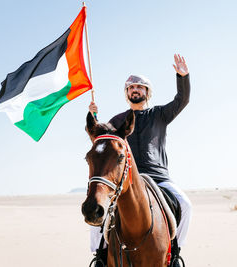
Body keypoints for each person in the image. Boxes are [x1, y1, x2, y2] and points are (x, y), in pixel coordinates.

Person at [87, 54, 192, 266]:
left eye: (139, 87)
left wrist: (183, 77)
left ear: (147, 92)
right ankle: (99, 256)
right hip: (125, 180)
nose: (135, 90)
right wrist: (95, 119)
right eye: (131, 88)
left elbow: (182, 100)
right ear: (127, 94)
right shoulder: (118, 121)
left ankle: (175, 255)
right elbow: (101, 141)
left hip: (158, 177)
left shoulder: (160, 114)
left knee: (185, 204)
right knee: (98, 211)